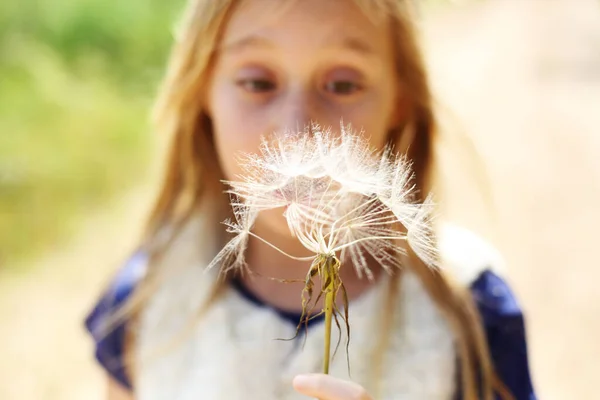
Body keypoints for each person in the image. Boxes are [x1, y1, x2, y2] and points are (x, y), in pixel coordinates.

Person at [85, 0, 537, 399]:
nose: (297, 133)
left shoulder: (471, 312)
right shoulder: (146, 301)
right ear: (202, 88)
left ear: (400, 99)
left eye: (342, 85)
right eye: (258, 82)